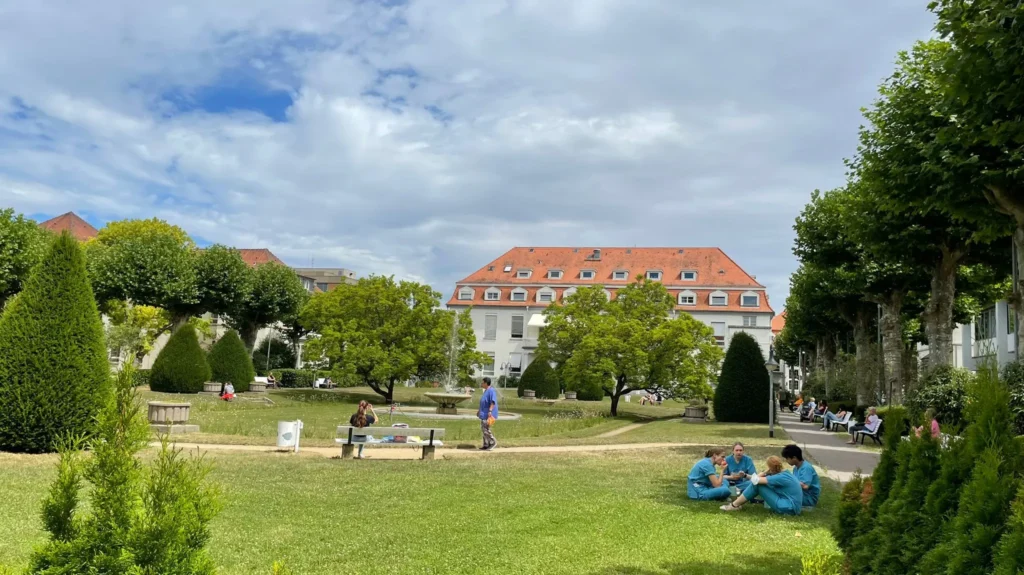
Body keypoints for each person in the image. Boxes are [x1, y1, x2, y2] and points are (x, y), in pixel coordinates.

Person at [720, 455, 803, 515]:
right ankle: (736, 504)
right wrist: (745, 475)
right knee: (760, 484)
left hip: (788, 508)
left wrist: (764, 472)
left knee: (758, 485)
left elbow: (756, 481)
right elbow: (757, 479)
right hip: (792, 507)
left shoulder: (780, 477)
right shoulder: (785, 473)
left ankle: (734, 505)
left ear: (771, 467)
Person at [478, 377, 498, 451]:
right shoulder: (486, 391)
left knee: (485, 428)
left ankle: (493, 442)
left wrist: (490, 411)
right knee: (483, 428)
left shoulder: (491, 391)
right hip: (484, 413)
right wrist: (479, 410)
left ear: (486, 383)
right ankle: (486, 444)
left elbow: (493, 402)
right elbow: (483, 402)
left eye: (482, 382)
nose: (481, 384)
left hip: (488, 413)